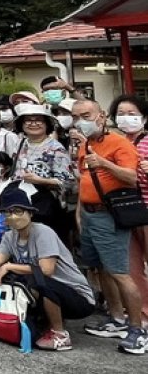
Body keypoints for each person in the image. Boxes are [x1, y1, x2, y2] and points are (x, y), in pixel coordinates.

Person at [0, 188, 96, 352]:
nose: (13, 216)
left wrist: (9, 266)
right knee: (14, 278)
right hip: (54, 291)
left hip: (78, 297)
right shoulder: (10, 236)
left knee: (40, 281)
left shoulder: (43, 232)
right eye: (8, 213)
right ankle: (37, 322)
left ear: (30, 213)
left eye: (18, 211)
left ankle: (60, 334)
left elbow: (47, 270)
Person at [72, 99, 147, 352]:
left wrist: (103, 163)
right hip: (90, 214)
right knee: (99, 267)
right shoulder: (87, 144)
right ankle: (116, 318)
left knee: (119, 272)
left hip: (109, 215)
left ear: (101, 116)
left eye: (86, 115)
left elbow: (130, 177)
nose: (81, 120)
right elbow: (85, 179)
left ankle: (137, 329)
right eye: (76, 116)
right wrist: (81, 214)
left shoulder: (120, 143)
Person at [111, 95, 148, 321]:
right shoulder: (117, 142)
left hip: (146, 208)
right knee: (132, 267)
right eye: (121, 113)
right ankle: (142, 313)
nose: (126, 118)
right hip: (125, 211)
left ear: (144, 117)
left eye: (132, 114)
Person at [10, 104, 73, 233]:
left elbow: (68, 182)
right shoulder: (20, 144)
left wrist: (40, 180)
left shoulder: (56, 148)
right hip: (21, 205)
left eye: (38, 120)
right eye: (28, 120)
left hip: (46, 208)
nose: (33, 124)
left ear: (46, 124)